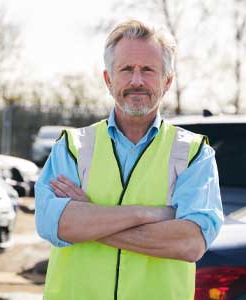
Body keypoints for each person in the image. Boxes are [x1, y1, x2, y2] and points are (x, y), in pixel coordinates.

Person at [35, 19, 223, 300]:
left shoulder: (195, 153)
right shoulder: (73, 147)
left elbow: (189, 242)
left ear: (167, 81)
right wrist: (148, 213)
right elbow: (55, 224)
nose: (137, 80)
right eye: (126, 69)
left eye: (148, 70)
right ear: (109, 80)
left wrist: (89, 217)